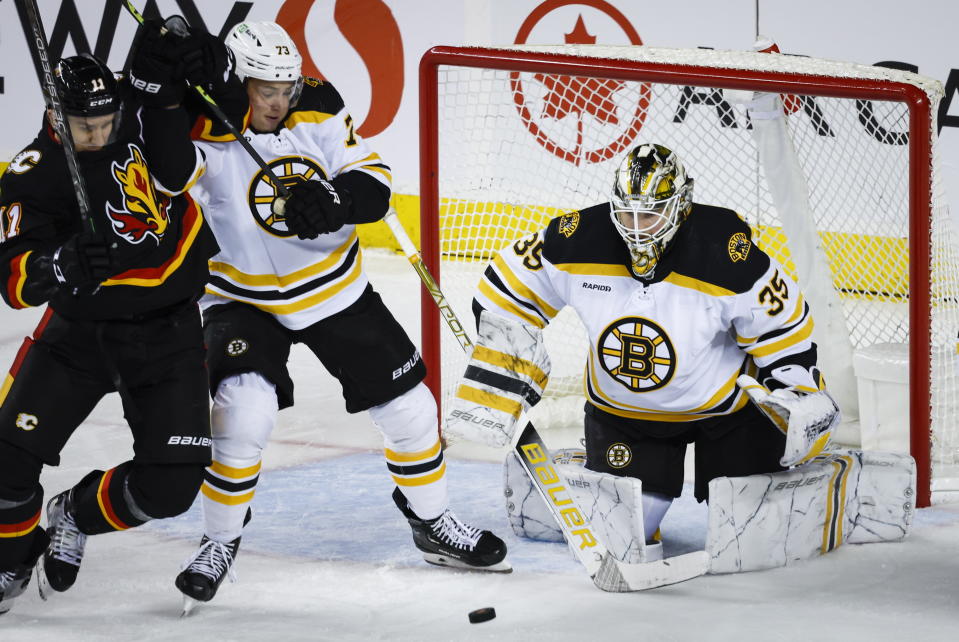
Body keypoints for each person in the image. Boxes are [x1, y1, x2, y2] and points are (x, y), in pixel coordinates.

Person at [127, 19, 509, 609]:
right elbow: (172, 176)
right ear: (237, 79)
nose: (279, 102)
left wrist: (336, 202)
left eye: (286, 89)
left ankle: (433, 523)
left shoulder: (319, 103)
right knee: (242, 416)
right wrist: (160, 94)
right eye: (265, 90)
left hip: (334, 289)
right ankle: (220, 541)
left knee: (413, 408)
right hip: (241, 298)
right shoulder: (202, 118)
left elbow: (375, 182)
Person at [445, 143, 839, 552]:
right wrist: (506, 353)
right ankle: (584, 476)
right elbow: (504, 290)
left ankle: (822, 478)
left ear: (681, 204)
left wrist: (797, 390)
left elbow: (784, 326)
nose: (636, 227)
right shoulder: (577, 238)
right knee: (624, 537)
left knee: (753, 534)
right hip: (627, 416)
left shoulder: (725, 254)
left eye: (649, 214)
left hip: (729, 415)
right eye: (626, 212)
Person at [0, 53, 218, 614]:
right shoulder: (33, 171)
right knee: (4, 463)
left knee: (170, 489)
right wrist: (61, 262)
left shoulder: (140, 111)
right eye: (84, 127)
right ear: (55, 115)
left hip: (167, 330)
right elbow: (12, 279)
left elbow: (217, 105)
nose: (97, 135)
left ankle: (73, 512)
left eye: (105, 123)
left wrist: (193, 54)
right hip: (81, 333)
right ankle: (12, 557)